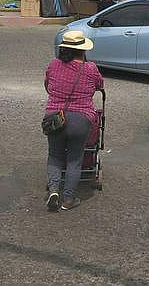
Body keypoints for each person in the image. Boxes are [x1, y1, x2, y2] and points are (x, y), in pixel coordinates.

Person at [44, 30, 104, 212]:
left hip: (55, 117)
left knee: (54, 155)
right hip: (81, 119)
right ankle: (68, 199)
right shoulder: (90, 68)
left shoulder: (54, 64)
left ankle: (54, 190)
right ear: (82, 51)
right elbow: (99, 85)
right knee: (74, 160)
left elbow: (47, 85)